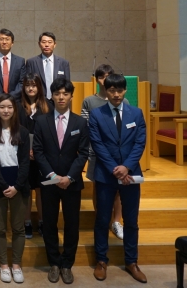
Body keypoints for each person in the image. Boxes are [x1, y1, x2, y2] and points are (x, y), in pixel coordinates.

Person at [88, 74, 147, 284]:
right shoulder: (96, 114)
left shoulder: (136, 113)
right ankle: (101, 260)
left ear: (125, 91)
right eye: (112, 90)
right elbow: (97, 144)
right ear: (106, 91)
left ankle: (131, 261)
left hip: (130, 174)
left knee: (131, 220)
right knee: (102, 219)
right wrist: (115, 168)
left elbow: (140, 142)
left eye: (120, 90)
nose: (116, 94)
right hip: (106, 174)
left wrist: (127, 166)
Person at [32, 78, 89, 284]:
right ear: (52, 96)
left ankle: (67, 264)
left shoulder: (80, 123)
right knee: (49, 222)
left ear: (71, 96)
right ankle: (54, 262)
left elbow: (83, 153)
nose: (61, 97)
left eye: (65, 93)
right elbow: (38, 151)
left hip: (71, 181)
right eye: (57, 94)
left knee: (72, 223)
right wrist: (52, 176)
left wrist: (69, 177)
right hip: (49, 182)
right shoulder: (41, 121)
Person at [0, 94, 31, 284]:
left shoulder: (23, 132)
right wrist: (4, 185)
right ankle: (4, 265)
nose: (6, 110)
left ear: (15, 110)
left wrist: (17, 186)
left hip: (20, 185)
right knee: (0, 228)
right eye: (2, 107)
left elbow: (25, 162)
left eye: (9, 107)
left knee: (19, 228)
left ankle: (16, 265)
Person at [82, 64, 128, 241]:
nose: (105, 79)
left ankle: (116, 221)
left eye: (108, 76)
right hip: (96, 152)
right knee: (98, 187)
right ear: (96, 79)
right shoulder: (89, 101)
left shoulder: (124, 101)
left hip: (118, 153)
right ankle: (101, 218)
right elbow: (86, 127)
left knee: (118, 189)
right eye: (101, 76)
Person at [18, 73, 53, 239]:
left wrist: (37, 151)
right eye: (27, 85)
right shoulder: (18, 105)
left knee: (41, 190)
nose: (30, 88)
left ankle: (41, 221)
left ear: (39, 87)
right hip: (22, 154)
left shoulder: (48, 106)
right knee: (26, 190)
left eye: (34, 85)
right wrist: (26, 150)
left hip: (42, 155)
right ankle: (26, 223)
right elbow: (14, 130)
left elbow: (51, 132)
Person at [25, 32, 71, 100]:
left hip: (57, 100)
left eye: (50, 42)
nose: (46, 45)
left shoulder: (63, 63)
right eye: (44, 42)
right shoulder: (31, 62)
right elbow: (27, 83)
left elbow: (67, 85)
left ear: (55, 44)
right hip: (38, 100)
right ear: (39, 44)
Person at [0, 29, 26, 98]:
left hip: (15, 100)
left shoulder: (20, 61)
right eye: (1, 39)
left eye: (7, 39)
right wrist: (1, 97)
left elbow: (22, 82)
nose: (4, 42)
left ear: (12, 43)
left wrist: (10, 96)